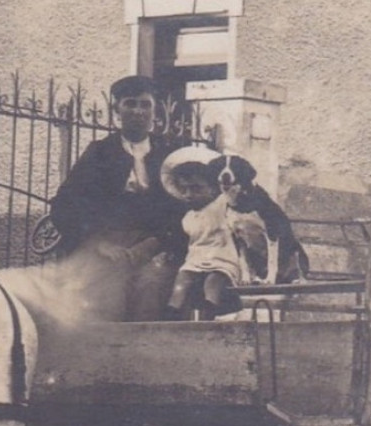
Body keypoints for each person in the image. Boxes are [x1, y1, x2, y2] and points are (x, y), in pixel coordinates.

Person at [47, 75, 190, 255]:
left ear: (155, 112)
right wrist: (97, 243)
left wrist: (160, 242)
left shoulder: (168, 153)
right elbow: (66, 202)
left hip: (157, 245)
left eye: (145, 105)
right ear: (117, 110)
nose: (138, 111)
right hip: (108, 244)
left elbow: (184, 205)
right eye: (130, 104)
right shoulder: (100, 152)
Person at [159, 146, 270, 320]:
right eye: (184, 189)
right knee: (182, 279)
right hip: (197, 259)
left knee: (213, 280)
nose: (189, 194)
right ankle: (172, 312)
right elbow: (188, 240)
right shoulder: (188, 216)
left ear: (213, 188)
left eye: (196, 188)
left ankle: (208, 313)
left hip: (222, 257)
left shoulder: (223, 204)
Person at [221, 154, 309, 285]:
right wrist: (245, 275)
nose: (225, 172)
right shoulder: (229, 206)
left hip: (286, 258)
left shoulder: (261, 202)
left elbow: (273, 238)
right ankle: (248, 275)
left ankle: (281, 275)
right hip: (260, 263)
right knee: (240, 241)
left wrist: (271, 275)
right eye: (222, 168)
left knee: (291, 251)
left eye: (233, 168)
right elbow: (240, 243)